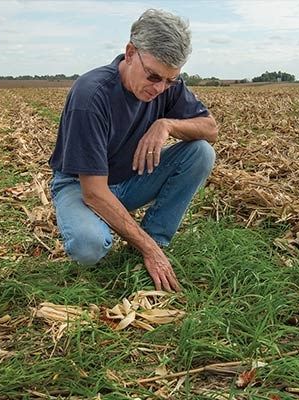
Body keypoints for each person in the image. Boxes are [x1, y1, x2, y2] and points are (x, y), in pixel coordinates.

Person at [48, 9, 218, 292]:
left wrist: (167, 125)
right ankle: (148, 247)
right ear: (130, 53)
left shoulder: (165, 86)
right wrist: (147, 249)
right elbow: (94, 192)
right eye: (153, 77)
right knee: (89, 246)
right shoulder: (91, 96)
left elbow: (211, 129)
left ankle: (155, 238)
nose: (160, 88)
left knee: (201, 152)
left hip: (130, 178)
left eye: (170, 80)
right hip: (81, 186)